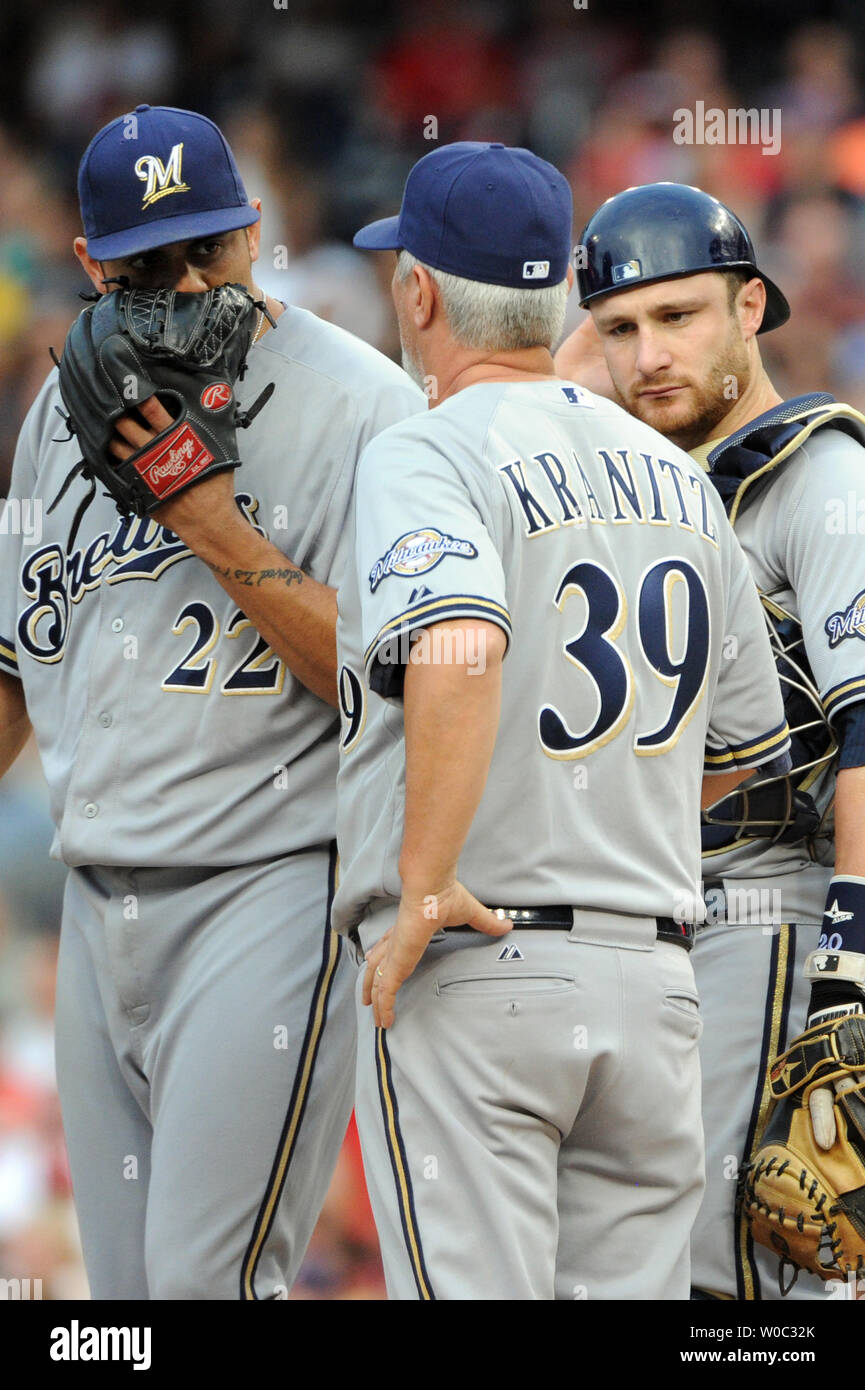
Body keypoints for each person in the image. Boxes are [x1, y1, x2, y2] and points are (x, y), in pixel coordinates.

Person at [330, 142, 791, 1300]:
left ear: (417, 292)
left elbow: (457, 643)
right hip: (654, 985)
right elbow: (742, 752)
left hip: (478, 960)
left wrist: (428, 876)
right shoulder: (678, 474)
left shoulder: (424, 448)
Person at [0, 103, 424, 1300]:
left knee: (205, 1290)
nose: (186, 284)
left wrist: (208, 518)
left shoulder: (362, 405)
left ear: (251, 229)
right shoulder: (56, 417)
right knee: (125, 1307)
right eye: (147, 264)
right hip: (95, 908)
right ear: (88, 264)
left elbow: (388, 677)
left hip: (267, 887)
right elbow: (13, 660)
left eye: (209, 249)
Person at [555, 181, 865, 1300]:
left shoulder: (820, 477)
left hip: (770, 913)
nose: (645, 354)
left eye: (678, 317)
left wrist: (851, 961)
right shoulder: (630, 488)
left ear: (749, 308)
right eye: (620, 328)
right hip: (649, 921)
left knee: (727, 1270)